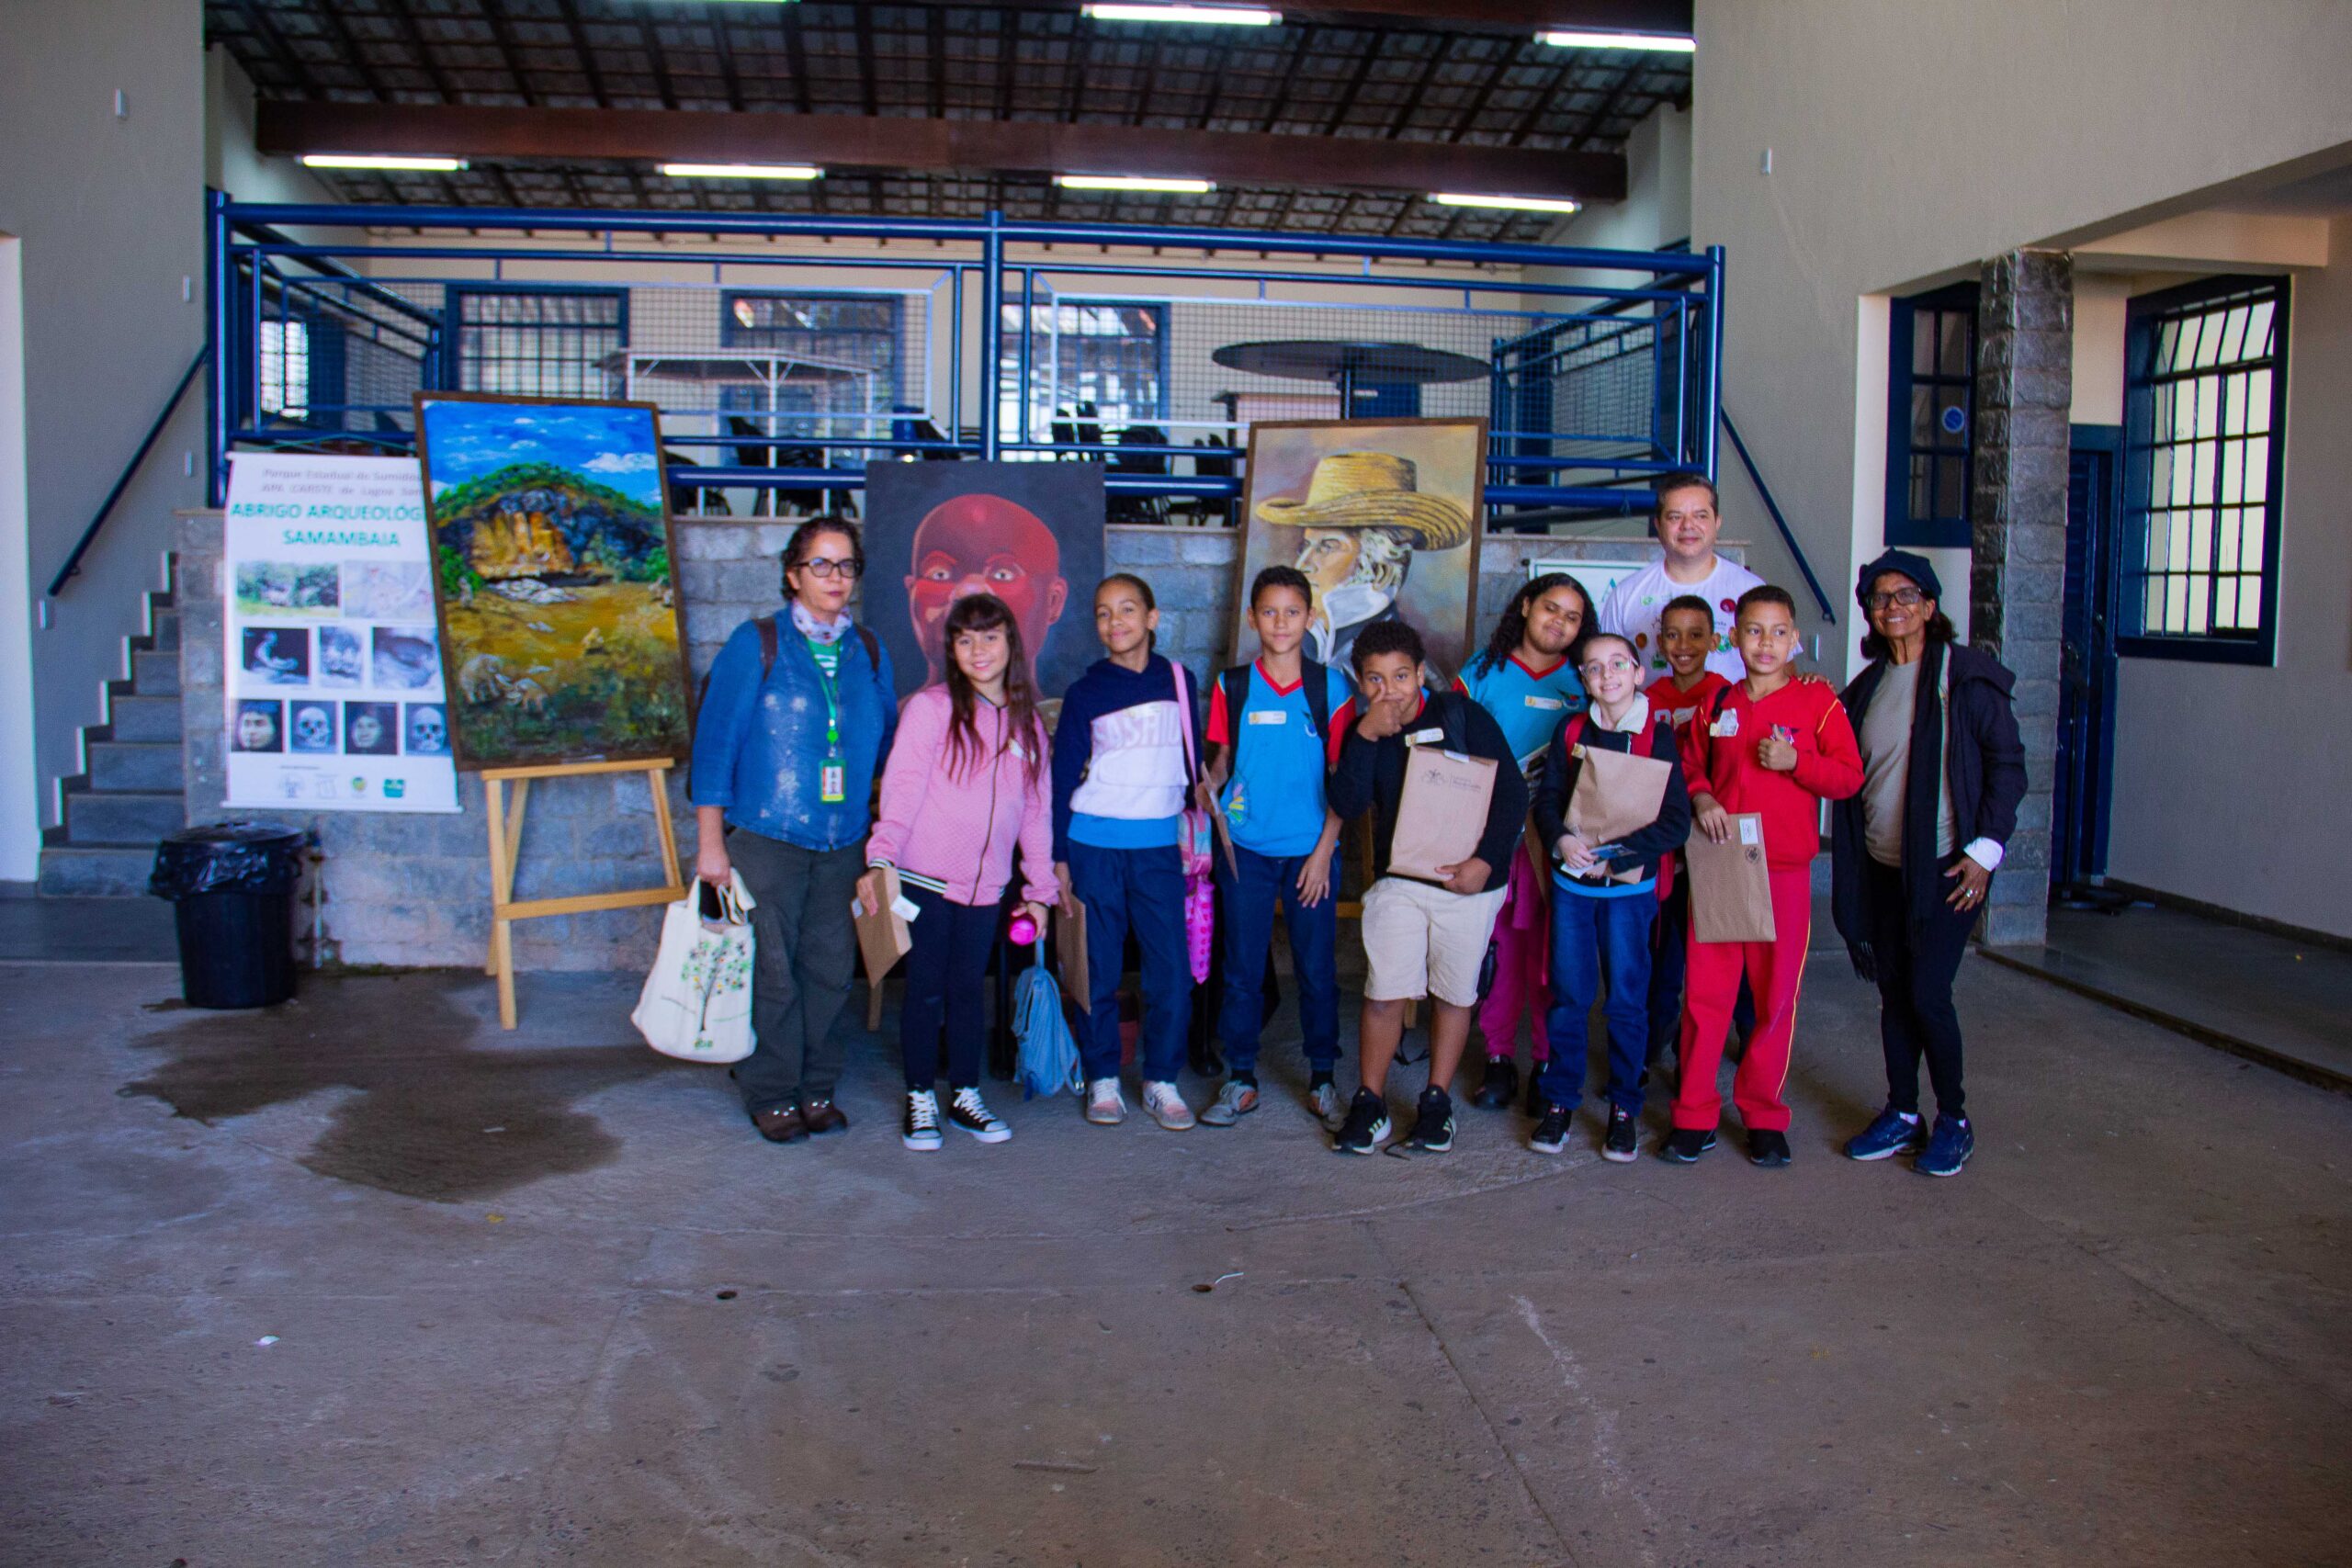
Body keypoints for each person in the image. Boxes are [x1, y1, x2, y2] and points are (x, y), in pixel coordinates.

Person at [691, 516, 897, 1145]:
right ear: (793, 573)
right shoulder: (756, 643)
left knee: (831, 971)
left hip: (843, 843)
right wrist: (710, 845)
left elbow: (888, 743)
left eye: (846, 565)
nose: (835, 577)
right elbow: (714, 746)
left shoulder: (869, 650)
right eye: (820, 564)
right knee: (771, 973)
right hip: (767, 837)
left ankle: (816, 1084)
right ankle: (772, 1090)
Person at [1831, 551, 2026, 1179]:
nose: (1893, 606)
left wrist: (1985, 851)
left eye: (1906, 595)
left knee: (1927, 993)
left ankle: (1955, 1120)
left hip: (1946, 869)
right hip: (1882, 868)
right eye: (1880, 597)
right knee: (1894, 994)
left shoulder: (1966, 679)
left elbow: (2007, 768)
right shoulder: (1865, 689)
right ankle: (1902, 1111)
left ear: (1930, 606)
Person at [1668, 585, 1863, 1168]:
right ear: (1734, 639)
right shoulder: (1718, 703)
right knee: (1706, 997)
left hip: (1784, 871)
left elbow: (1848, 777)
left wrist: (1797, 761)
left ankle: (1762, 1114)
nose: (1766, 643)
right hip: (1722, 864)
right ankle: (1694, 1114)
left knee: (1775, 998)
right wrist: (1702, 797)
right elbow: (1689, 763)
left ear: (1795, 640)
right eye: (1754, 631)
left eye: (1778, 632)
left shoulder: (1818, 702)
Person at [861, 593, 1057, 1154]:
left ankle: (965, 1094)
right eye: (965, 640)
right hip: (924, 879)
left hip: (987, 888)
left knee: (970, 991)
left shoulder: (1029, 723)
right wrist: (881, 858)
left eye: (990, 637)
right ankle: (920, 1095)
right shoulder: (931, 709)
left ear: (1011, 643)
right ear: (951, 648)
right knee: (925, 991)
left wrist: (1040, 890)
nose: (978, 650)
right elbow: (902, 789)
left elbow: (1036, 813)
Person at [1325, 620, 1529, 1156]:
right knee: (1384, 989)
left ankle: (1436, 1102)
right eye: (1375, 679)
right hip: (1401, 882)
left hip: (1468, 881)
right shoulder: (1365, 730)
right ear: (1361, 682)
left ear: (1420, 674)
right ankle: (1370, 1102)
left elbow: (1512, 794)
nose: (1389, 690)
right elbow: (1347, 804)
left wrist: (1485, 862)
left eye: (1400, 676)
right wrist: (1366, 737)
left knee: (1454, 993)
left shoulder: (1462, 715)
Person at [1199, 565, 1353, 1129]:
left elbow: (1343, 781)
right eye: (1269, 611)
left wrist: (1323, 853)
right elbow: (1222, 760)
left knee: (1316, 968)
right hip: (1245, 848)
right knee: (1241, 968)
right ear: (1252, 618)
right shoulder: (1232, 685)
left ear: (1310, 618)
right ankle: (1240, 1077)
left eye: (1292, 612)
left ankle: (1322, 1078)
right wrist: (1209, 787)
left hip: (1312, 852)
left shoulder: (1332, 688)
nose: (1280, 622)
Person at [1050, 573, 1205, 1132]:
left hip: (1159, 850)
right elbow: (1061, 778)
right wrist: (1058, 857)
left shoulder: (1180, 682)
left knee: (1171, 972)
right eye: (1103, 612)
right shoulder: (1085, 693)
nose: (1115, 621)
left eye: (1127, 609)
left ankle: (1162, 1079)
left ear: (1152, 617)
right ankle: (1103, 1077)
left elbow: (1192, 767)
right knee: (1098, 968)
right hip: (1093, 846)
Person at [1527, 633, 1690, 1160]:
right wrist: (1561, 839)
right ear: (1584, 680)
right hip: (1573, 887)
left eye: (1618, 664)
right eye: (1594, 668)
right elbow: (1547, 800)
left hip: (1629, 891)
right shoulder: (1572, 729)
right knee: (1570, 996)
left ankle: (1624, 1107)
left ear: (1639, 673)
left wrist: (1617, 855)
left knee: (1625, 1000)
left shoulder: (1657, 737)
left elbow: (1676, 822)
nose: (1607, 675)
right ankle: (1559, 1101)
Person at [1453, 571, 1593, 1115]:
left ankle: (1547, 1061)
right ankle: (1498, 1056)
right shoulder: (1480, 673)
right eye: (1551, 608)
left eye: (1573, 617)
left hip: (1553, 843)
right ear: (1527, 605)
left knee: (1548, 955)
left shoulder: (1582, 682)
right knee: (1497, 950)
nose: (1559, 622)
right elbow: (1452, 755)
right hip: (1488, 838)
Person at [1641, 593, 1751, 1077]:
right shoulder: (1647, 699)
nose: (1683, 645)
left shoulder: (1727, 695)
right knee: (1662, 949)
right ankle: (1652, 1042)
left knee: (1723, 946)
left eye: (1694, 635)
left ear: (1713, 640)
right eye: (1673, 634)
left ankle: (1743, 1038)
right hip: (1664, 844)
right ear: (1660, 640)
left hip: (1714, 837)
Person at [1261, 451, 1475, 671]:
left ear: (1380, 570)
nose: (1302, 565)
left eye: (1327, 547)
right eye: (1305, 547)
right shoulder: (1298, 644)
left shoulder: (1404, 667)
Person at [1599, 473, 1763, 684]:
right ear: (1658, 525)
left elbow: (1781, 672)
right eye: (1675, 517)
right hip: (1650, 707)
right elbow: (1605, 674)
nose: (1688, 525)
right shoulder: (1625, 594)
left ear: (1717, 522)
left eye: (1700, 516)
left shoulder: (1751, 590)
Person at [901, 491, 1072, 692]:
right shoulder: (920, 709)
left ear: (1053, 601)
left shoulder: (1058, 711)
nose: (968, 592)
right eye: (940, 574)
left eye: (1002, 574)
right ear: (912, 594)